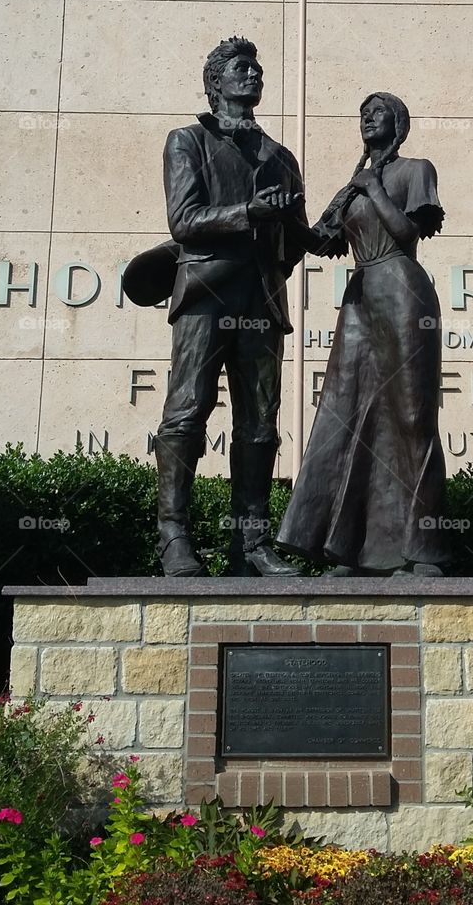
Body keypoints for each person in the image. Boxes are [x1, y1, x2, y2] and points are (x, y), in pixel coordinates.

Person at [123, 36, 308, 577]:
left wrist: (312, 228)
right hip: (205, 292)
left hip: (263, 298)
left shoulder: (282, 157)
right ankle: (173, 538)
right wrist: (248, 212)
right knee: (187, 411)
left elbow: (293, 243)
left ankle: (250, 545)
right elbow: (184, 220)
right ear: (215, 83)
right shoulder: (187, 140)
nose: (253, 75)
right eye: (241, 68)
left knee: (261, 424)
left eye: (257, 69)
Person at [276, 91, 450, 576]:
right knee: (347, 413)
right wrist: (285, 212)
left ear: (398, 123)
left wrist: (373, 187)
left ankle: (425, 551)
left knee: (413, 415)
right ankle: (348, 549)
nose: (367, 118)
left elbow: (408, 233)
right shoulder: (350, 188)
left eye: (377, 112)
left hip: (402, 287)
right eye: (362, 113)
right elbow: (319, 241)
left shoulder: (414, 169)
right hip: (359, 299)